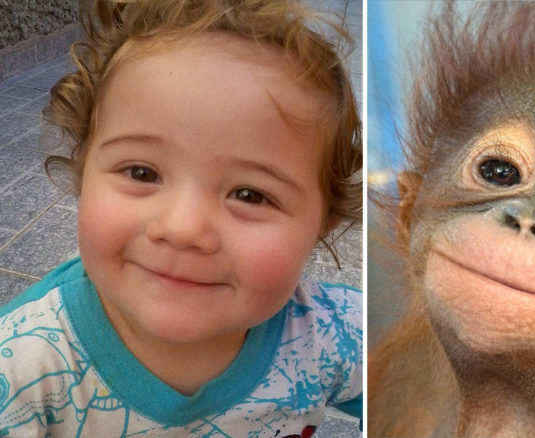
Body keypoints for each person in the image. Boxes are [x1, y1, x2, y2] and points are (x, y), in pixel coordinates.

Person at [0, 0, 362, 436]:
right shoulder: (22, 363)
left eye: (249, 195)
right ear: (83, 174)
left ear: (324, 222)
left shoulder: (335, 335)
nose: (184, 228)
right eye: (142, 172)